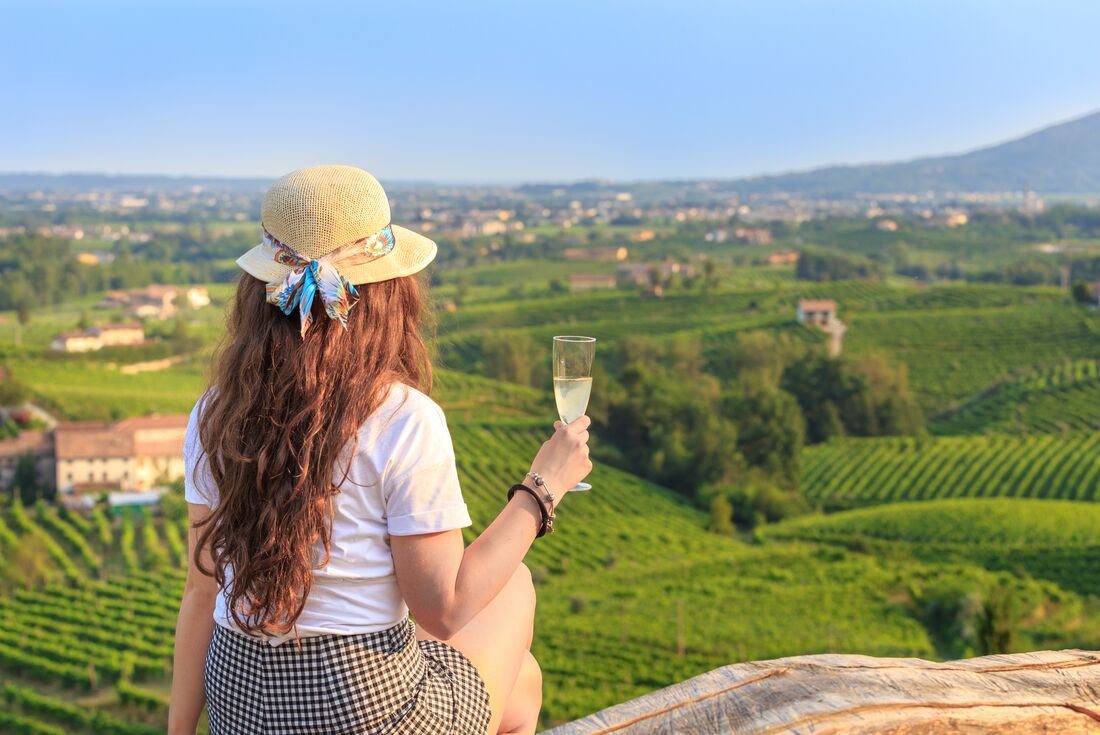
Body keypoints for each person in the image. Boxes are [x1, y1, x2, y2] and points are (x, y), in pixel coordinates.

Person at [168, 165, 592, 735]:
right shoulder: (402, 417)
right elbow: (443, 610)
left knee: (522, 687)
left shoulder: (216, 413)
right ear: (391, 292)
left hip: (240, 700)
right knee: (512, 589)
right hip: (360, 708)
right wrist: (542, 489)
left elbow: (202, 593)